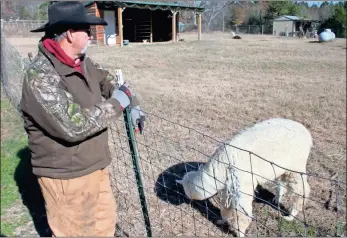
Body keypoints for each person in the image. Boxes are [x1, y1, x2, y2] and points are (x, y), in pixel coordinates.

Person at [19, 1, 145, 236]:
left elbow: (108, 82)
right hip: (67, 178)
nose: (90, 35)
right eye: (86, 30)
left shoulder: (82, 62)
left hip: (96, 168)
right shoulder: (40, 76)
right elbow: (73, 126)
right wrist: (119, 103)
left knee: (104, 229)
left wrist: (133, 104)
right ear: (69, 34)